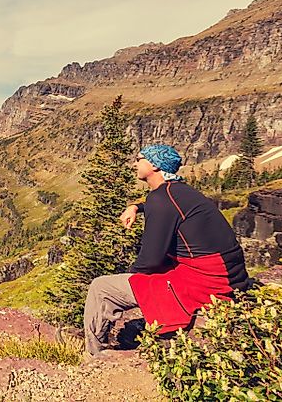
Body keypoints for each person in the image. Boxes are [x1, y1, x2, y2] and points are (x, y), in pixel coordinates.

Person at [83, 144, 249, 355]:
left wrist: (135, 283)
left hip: (206, 283)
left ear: (153, 165)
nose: (135, 163)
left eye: (139, 158)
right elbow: (162, 204)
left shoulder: (161, 199)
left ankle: (93, 356)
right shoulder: (180, 192)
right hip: (228, 276)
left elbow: (150, 260)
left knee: (101, 288)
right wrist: (136, 206)